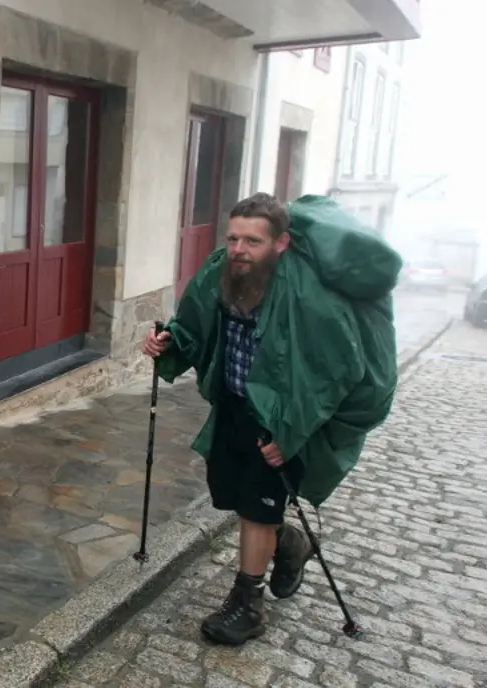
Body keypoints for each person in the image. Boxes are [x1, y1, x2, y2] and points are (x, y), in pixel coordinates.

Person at [143, 193, 317, 646]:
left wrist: (293, 430)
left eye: (252, 241)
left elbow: (325, 369)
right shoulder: (224, 272)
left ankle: (247, 604)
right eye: (233, 237)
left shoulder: (300, 291)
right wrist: (167, 342)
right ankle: (291, 543)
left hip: (278, 418)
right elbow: (193, 323)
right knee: (236, 494)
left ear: (281, 243)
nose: (239, 249)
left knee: (256, 508)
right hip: (233, 407)